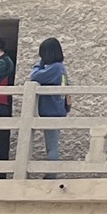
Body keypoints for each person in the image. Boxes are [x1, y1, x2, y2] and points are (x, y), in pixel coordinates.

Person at [26, 36, 70, 165]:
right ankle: (51, 172)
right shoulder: (61, 68)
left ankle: (51, 173)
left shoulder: (55, 68)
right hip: (58, 110)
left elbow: (34, 76)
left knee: (51, 146)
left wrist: (39, 64)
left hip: (51, 111)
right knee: (52, 144)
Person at [0, 37, 16, 162]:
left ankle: (0, 168)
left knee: (1, 140)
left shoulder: (5, 63)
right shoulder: (2, 62)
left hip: (1, 105)